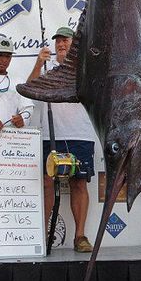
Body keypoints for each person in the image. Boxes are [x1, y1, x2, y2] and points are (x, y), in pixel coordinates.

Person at [28, 26, 96, 253]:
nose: (61, 45)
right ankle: (42, 233)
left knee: (79, 183)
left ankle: (80, 236)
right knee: (48, 183)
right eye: (58, 42)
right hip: (51, 134)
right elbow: (29, 89)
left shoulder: (86, 69)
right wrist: (38, 63)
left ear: (75, 46)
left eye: (66, 41)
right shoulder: (48, 69)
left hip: (81, 134)